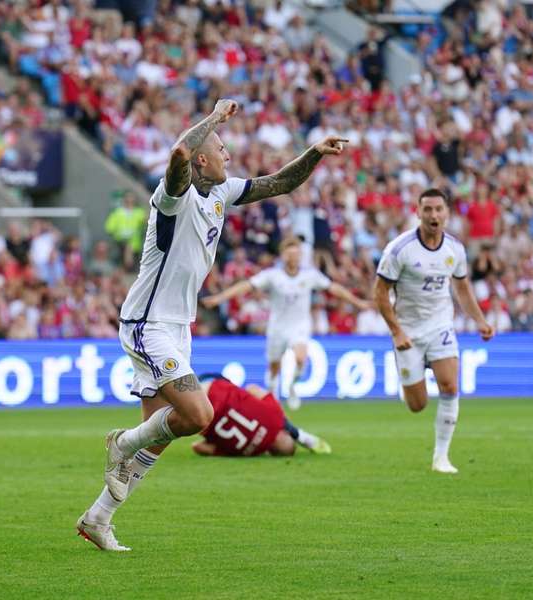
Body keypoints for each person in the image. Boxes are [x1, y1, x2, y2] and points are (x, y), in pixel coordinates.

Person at [76, 97, 348, 551]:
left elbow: (279, 182)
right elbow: (178, 156)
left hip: (177, 327)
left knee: (162, 434)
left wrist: (315, 153)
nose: (229, 156)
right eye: (222, 149)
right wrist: (213, 119)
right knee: (199, 415)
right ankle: (120, 443)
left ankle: (98, 517)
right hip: (148, 322)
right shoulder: (172, 197)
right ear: (203, 157)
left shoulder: (222, 193)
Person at [373, 188, 494, 475]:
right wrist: (397, 332)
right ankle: (412, 380)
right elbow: (379, 293)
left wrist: (479, 320)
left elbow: (462, 287)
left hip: (440, 325)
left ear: (447, 213)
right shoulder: (399, 249)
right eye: (427, 209)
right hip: (408, 332)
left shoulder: (455, 249)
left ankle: (441, 457)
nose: (433, 215)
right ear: (418, 212)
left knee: (450, 386)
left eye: (439, 209)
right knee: (417, 405)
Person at [201, 237, 369, 409]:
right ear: (283, 256)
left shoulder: (310, 275)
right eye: (289, 255)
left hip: (300, 325)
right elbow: (246, 286)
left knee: (301, 357)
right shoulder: (273, 276)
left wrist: (358, 302)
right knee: (274, 367)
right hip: (277, 327)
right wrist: (219, 298)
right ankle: (273, 394)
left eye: (296, 254)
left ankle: (292, 386)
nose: (293, 258)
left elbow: (334, 288)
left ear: (300, 256)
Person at [191, 375, 330, 457]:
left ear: (284, 433)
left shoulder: (276, 417)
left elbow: (252, 388)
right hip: (199, 415)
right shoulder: (247, 453)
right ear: (271, 451)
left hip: (213, 389)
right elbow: (198, 447)